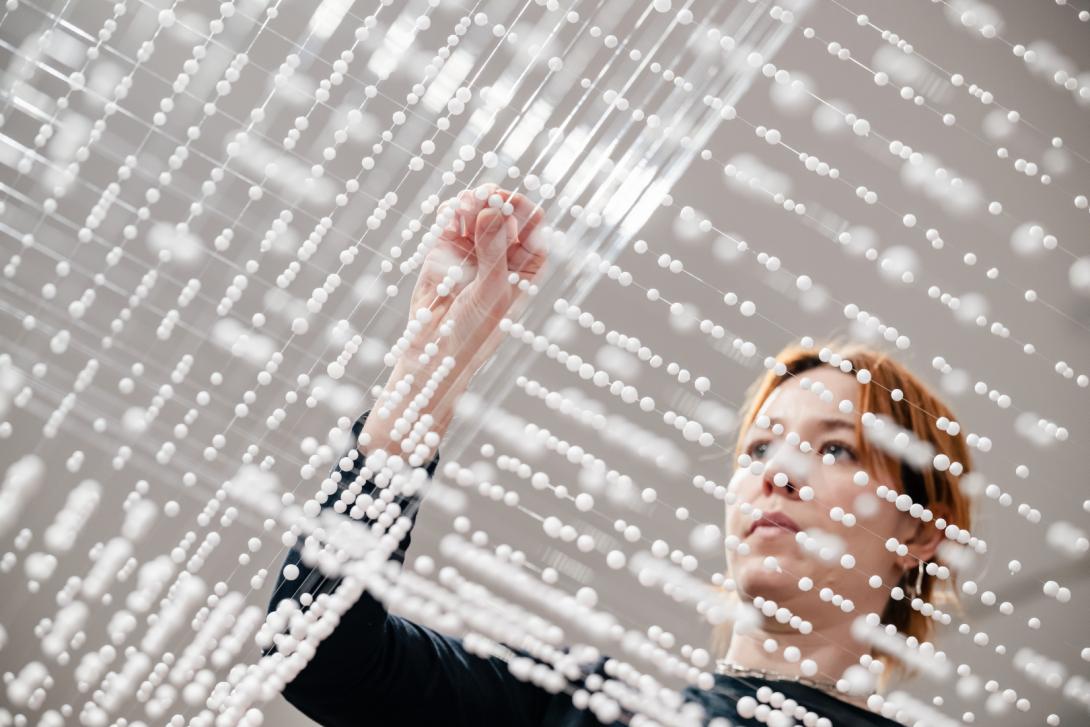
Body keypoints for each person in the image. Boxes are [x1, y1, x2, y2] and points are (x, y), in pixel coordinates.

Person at [265, 185, 973, 726]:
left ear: (915, 529)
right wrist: (422, 388)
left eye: (834, 448)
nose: (776, 473)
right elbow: (318, 653)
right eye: (759, 446)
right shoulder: (586, 710)